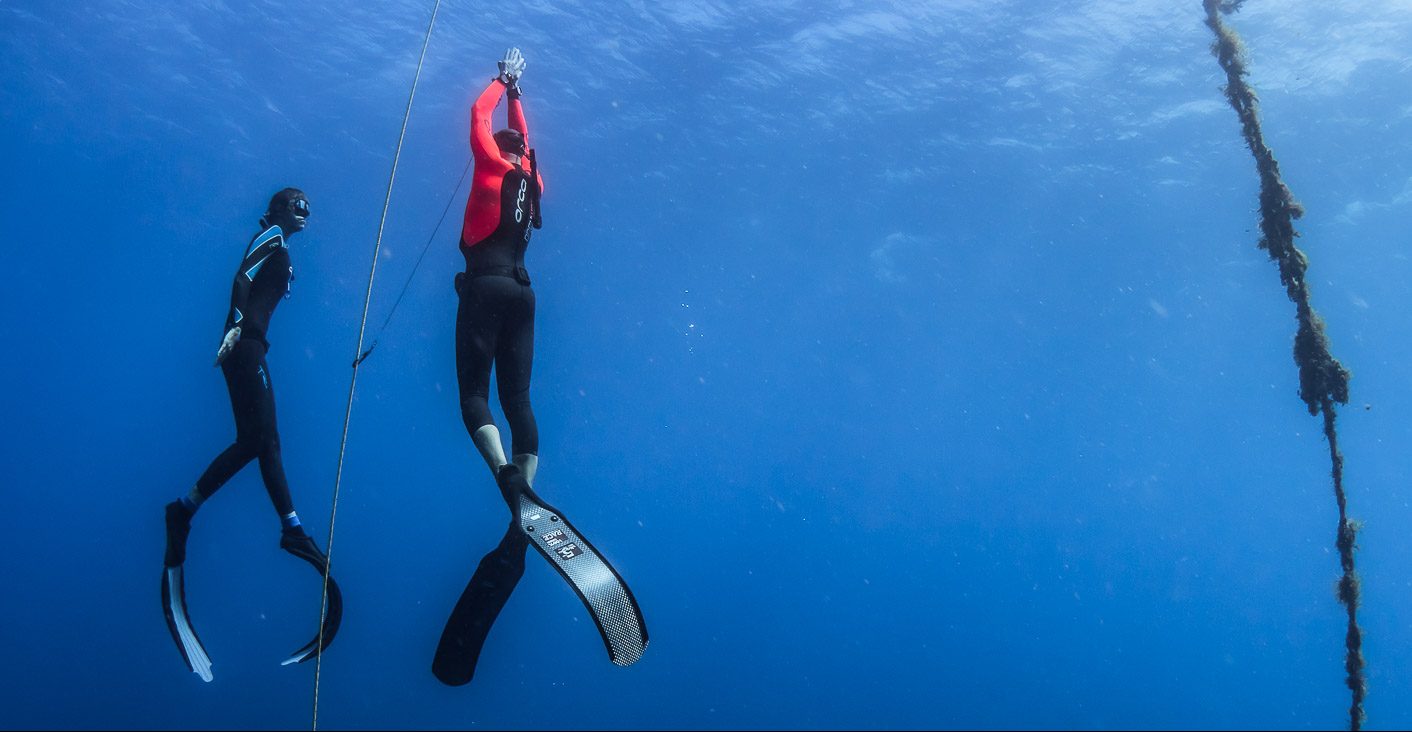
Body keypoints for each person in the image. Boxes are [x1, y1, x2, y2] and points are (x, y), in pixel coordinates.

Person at [434, 49, 646, 688]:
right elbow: (524, 141)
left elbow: (477, 115)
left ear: (498, 149)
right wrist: (522, 96)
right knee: (520, 403)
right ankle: (522, 497)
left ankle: (507, 484)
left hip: (485, 287)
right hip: (525, 293)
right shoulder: (532, 181)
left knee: (474, 396)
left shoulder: (491, 163)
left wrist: (500, 82)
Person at [161, 188, 342, 682]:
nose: (305, 209)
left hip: (254, 348)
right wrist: (237, 326)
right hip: (245, 348)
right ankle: (280, 529)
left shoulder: (282, 241)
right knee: (263, 440)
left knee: (262, 442)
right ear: (279, 209)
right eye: (296, 203)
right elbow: (242, 277)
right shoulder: (271, 235)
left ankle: (283, 528)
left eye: (309, 203)